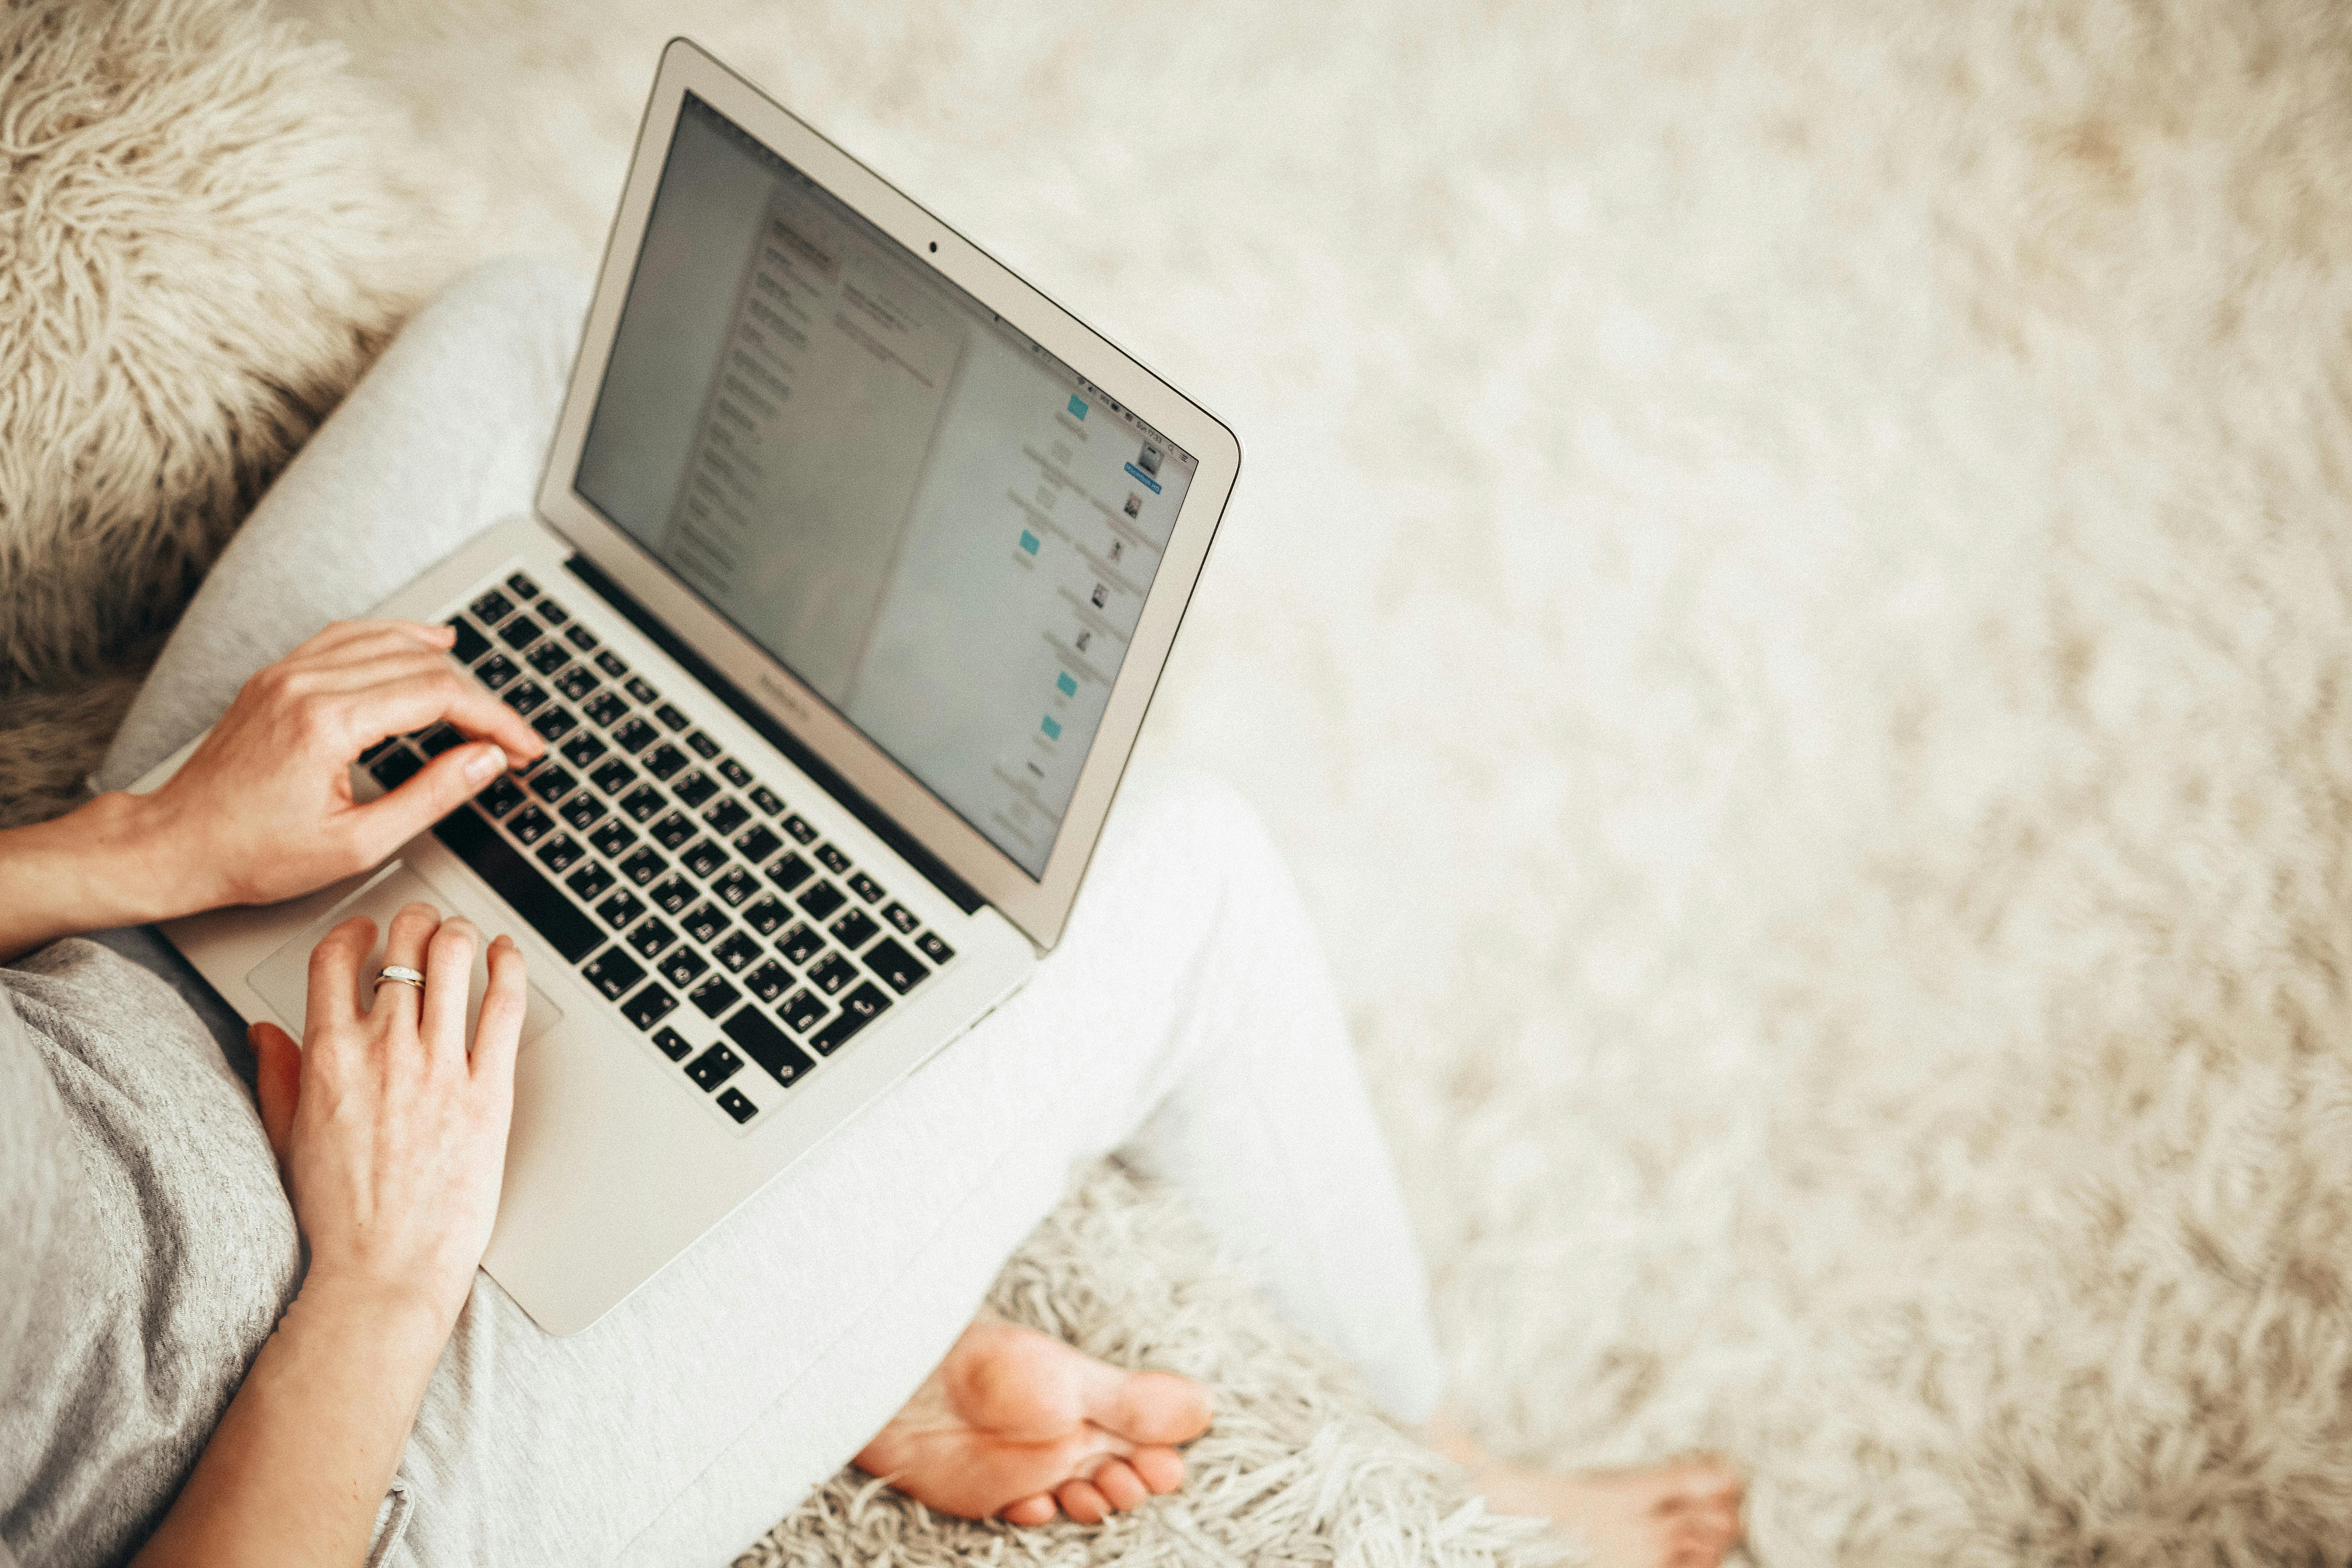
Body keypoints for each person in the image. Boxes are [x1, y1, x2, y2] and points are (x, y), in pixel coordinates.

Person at [0, 261, 1745, 1568]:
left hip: (139, 960)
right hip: (348, 1435)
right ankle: (1448, 1466)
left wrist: (147, 849)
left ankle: (810, 1272)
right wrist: (383, 1281)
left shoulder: (149, 877)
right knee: (1189, 877)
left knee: (542, 330)